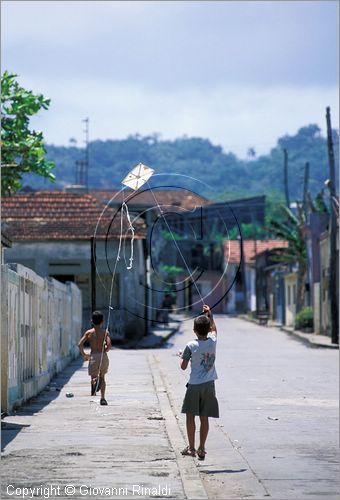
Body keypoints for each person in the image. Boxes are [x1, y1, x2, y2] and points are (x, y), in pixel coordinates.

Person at [179, 304, 218, 460]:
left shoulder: (190, 345)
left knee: (190, 416)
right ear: (208, 330)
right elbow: (215, 329)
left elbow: (183, 367)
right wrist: (210, 315)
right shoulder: (213, 341)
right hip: (209, 385)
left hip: (194, 385)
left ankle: (192, 448)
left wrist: (181, 356)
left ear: (194, 330)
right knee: (204, 417)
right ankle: (202, 448)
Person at [78, 311, 112, 406]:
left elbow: (80, 344)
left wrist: (84, 354)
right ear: (102, 321)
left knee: (93, 376)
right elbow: (109, 346)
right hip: (103, 355)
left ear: (91, 321)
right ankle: (103, 398)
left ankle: (95, 382)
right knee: (103, 377)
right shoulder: (105, 332)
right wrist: (105, 348)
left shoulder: (89, 332)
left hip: (93, 356)